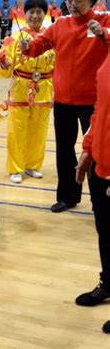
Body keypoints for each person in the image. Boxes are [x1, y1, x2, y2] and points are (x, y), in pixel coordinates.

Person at [19, 0, 110, 212]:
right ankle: (68, 197)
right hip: (62, 101)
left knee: (96, 152)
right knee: (64, 151)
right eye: (69, 0)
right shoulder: (60, 24)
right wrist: (28, 46)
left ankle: (100, 200)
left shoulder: (105, 20)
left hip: (95, 103)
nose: (73, 5)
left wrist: (103, 33)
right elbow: (39, 45)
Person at [0, 0, 55, 184]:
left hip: (44, 89)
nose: (35, 16)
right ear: (25, 14)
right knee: (17, 130)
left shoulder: (52, 38)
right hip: (20, 87)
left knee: (39, 129)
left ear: (45, 14)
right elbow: (3, 69)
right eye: (31, 12)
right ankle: (15, 167)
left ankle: (32, 165)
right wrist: (5, 64)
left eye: (39, 12)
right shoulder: (13, 39)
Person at [75, 50, 110, 334]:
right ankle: (108, 283)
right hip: (101, 162)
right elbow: (100, 107)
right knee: (106, 229)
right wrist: (88, 151)